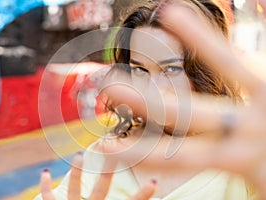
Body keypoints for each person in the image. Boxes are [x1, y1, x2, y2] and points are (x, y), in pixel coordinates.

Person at [35, 0, 259, 199]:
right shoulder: (104, 156)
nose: (153, 90)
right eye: (140, 70)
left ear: (204, 71)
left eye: (171, 69)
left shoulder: (246, 157)